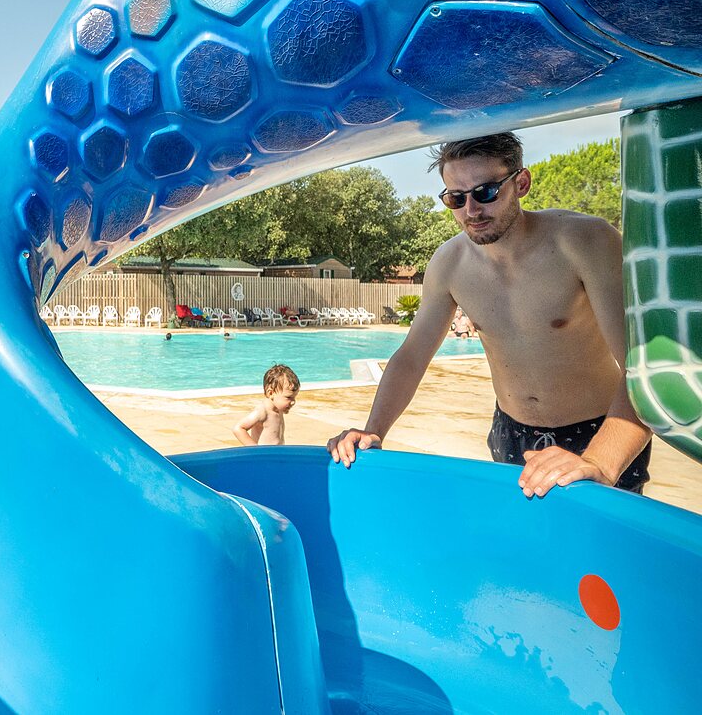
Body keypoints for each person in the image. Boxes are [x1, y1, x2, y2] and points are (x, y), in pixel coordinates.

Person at [326, 133, 652, 497]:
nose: (471, 210)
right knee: (522, 546)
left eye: (485, 193)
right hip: (511, 432)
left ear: (521, 183)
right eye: (456, 198)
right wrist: (374, 429)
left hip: (600, 430)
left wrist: (601, 462)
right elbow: (412, 356)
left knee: (604, 549)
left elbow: (642, 367)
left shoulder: (585, 242)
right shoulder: (449, 263)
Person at [233, 364, 300, 446]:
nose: (293, 402)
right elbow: (239, 428)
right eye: (288, 397)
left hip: (276, 454)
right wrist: (255, 450)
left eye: (294, 397)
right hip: (264, 456)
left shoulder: (278, 409)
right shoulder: (262, 411)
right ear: (270, 393)